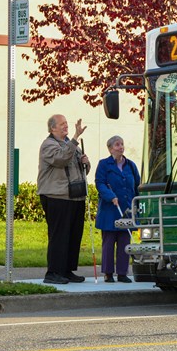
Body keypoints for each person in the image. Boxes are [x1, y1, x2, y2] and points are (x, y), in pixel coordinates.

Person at [37, 114, 90, 284]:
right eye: (62, 124)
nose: (66, 126)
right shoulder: (48, 145)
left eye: (66, 123)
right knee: (59, 235)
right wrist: (75, 138)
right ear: (52, 128)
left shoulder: (70, 145)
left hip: (75, 197)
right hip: (56, 196)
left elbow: (80, 170)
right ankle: (53, 272)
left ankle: (67, 271)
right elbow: (61, 159)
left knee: (74, 235)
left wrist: (86, 162)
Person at [95, 135, 140, 283]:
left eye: (122, 144)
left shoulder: (131, 165)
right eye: (117, 145)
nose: (120, 147)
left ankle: (122, 273)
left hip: (126, 209)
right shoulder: (104, 165)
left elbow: (137, 186)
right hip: (110, 210)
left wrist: (138, 205)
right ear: (110, 149)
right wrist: (110, 196)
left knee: (124, 241)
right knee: (108, 241)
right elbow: (100, 183)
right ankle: (108, 273)